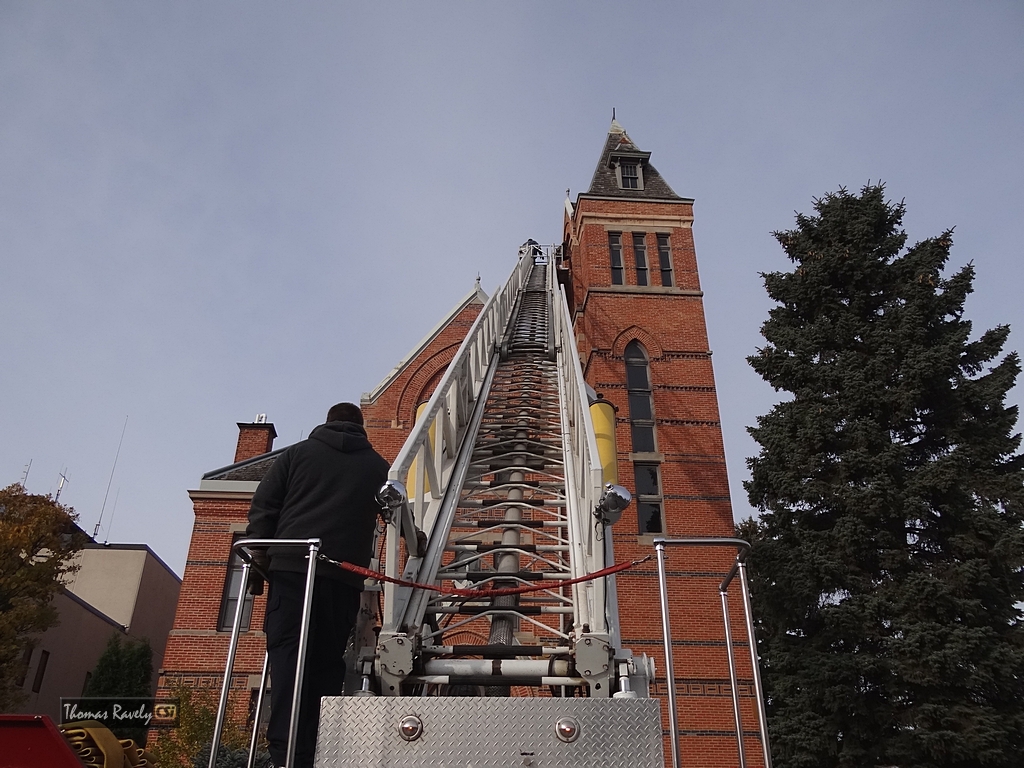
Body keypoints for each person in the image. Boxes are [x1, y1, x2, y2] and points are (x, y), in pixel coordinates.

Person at [246, 402, 389, 768]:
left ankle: (285, 756)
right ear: (360, 428)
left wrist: (260, 557)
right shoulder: (377, 467)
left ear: (327, 423)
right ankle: (316, 754)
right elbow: (395, 512)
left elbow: (264, 504)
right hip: (342, 582)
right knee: (327, 667)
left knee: (288, 664)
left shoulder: (297, 455)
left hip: (293, 574)